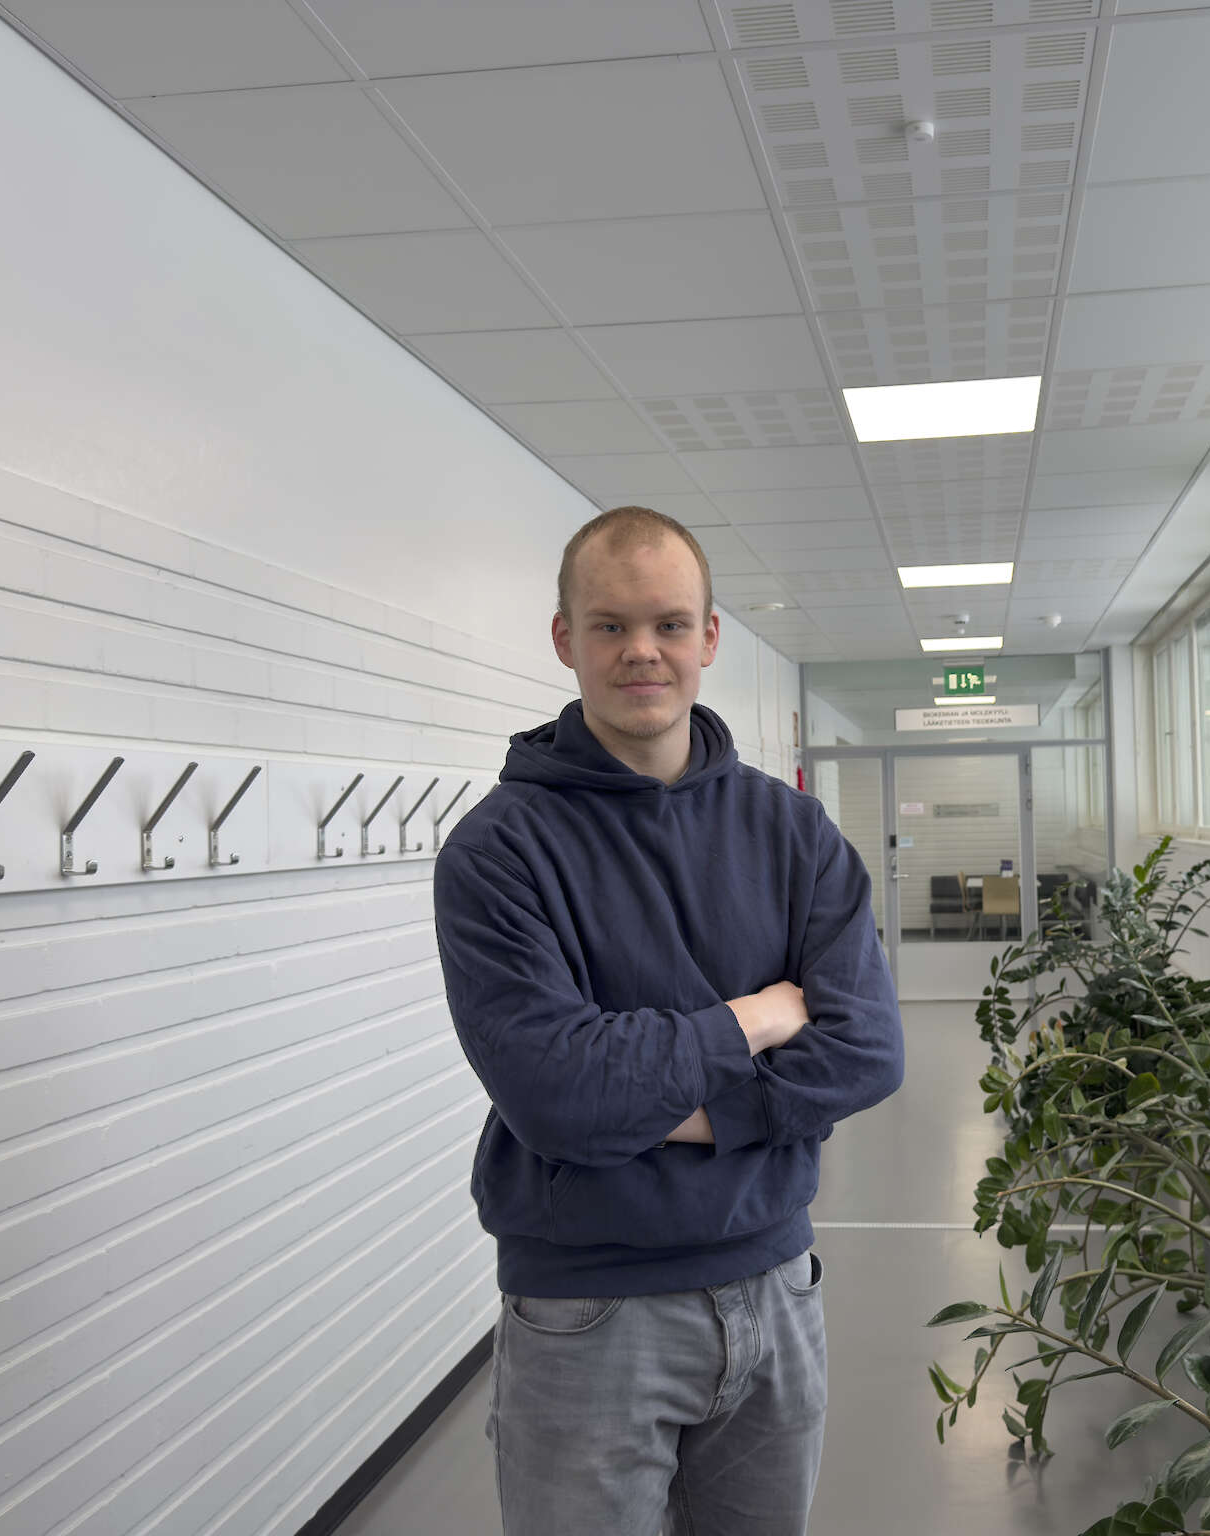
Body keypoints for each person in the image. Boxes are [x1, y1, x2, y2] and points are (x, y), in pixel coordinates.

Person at [433, 505, 905, 1535]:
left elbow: (867, 1050)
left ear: (708, 637)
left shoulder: (792, 830)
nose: (640, 650)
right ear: (564, 638)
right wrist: (756, 1016)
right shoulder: (499, 852)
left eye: (668, 624)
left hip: (776, 1285)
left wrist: (677, 1106)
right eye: (609, 625)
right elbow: (561, 1098)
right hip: (587, 1313)